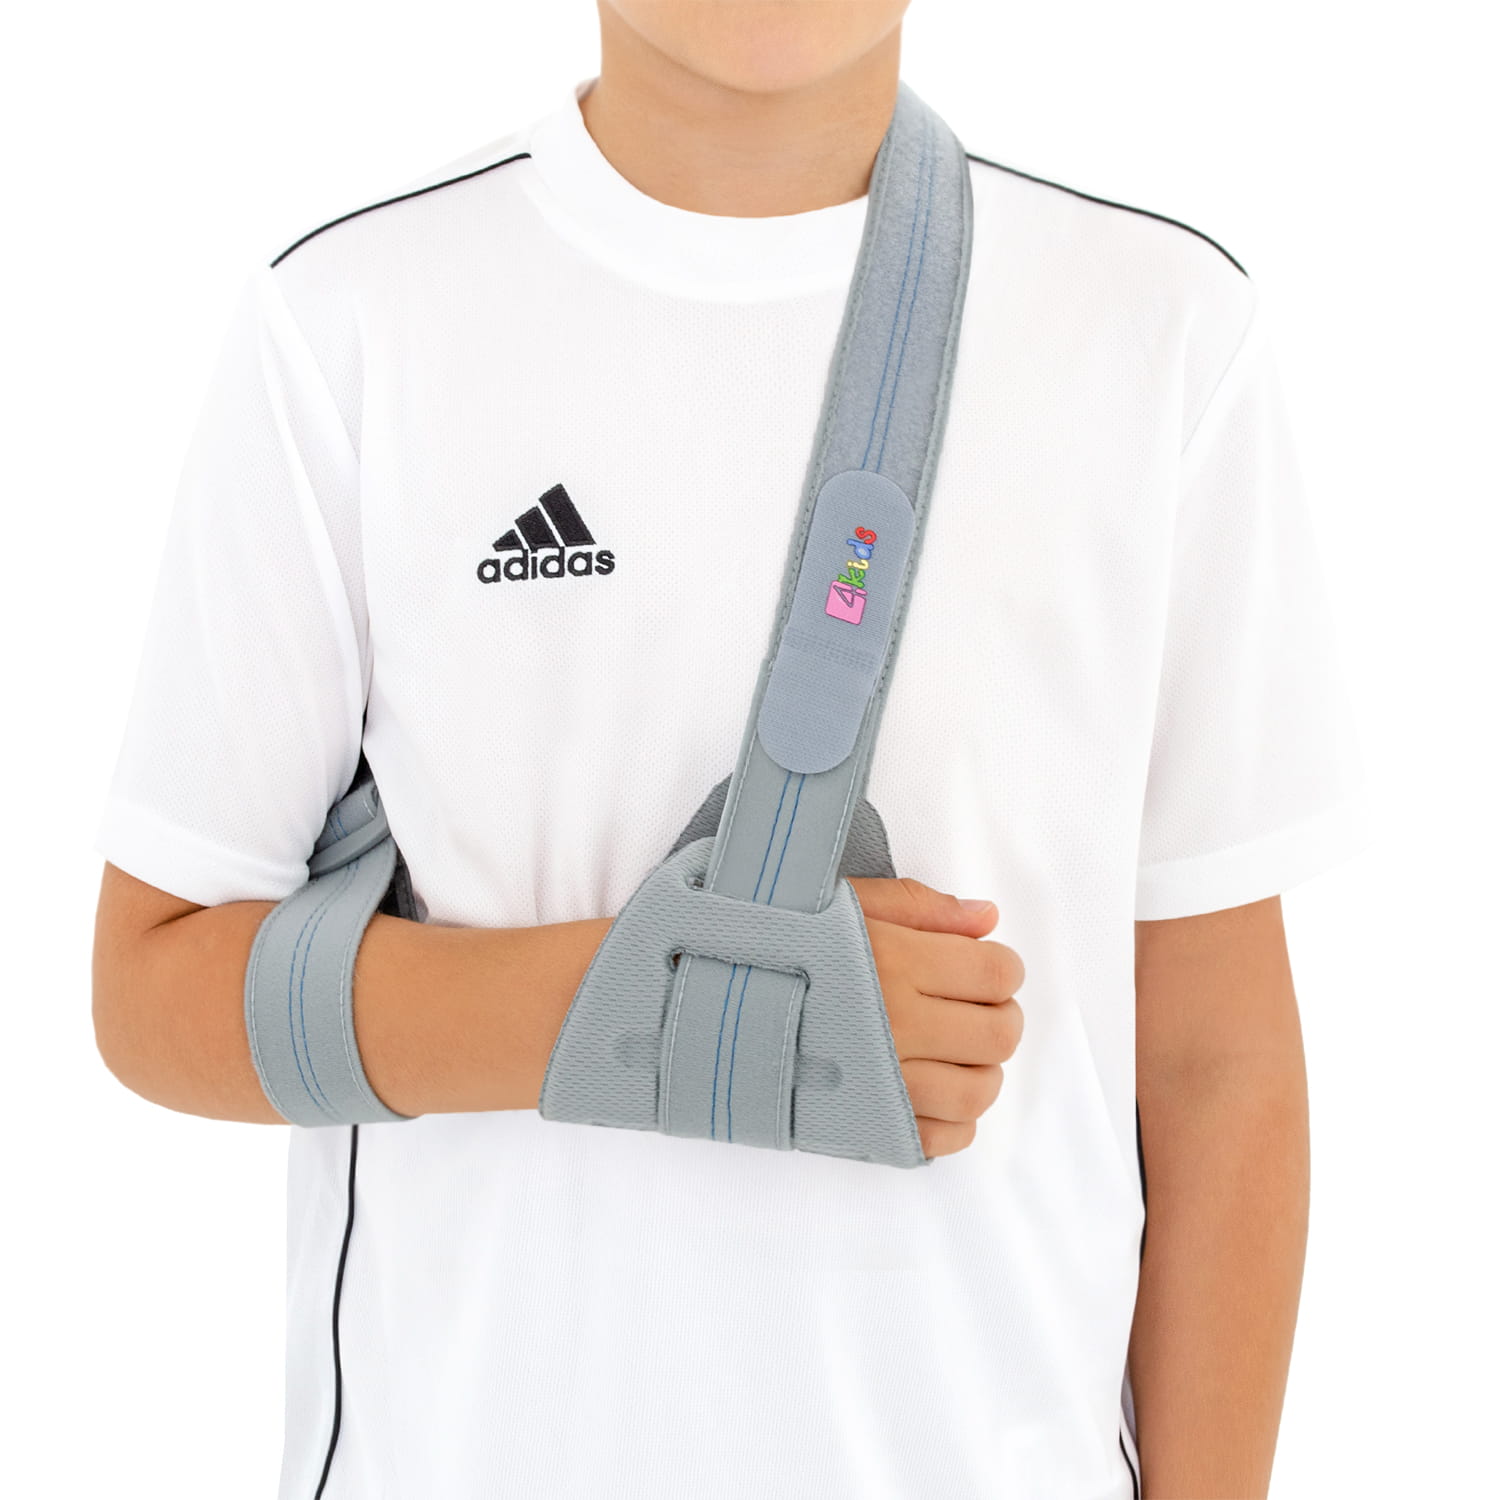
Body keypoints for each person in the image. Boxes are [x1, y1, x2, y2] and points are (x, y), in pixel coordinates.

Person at [89, 2, 1368, 1496]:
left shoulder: (1159, 333)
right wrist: (703, 1014)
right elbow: (153, 985)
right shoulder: (354, 322)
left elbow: (1219, 1070)